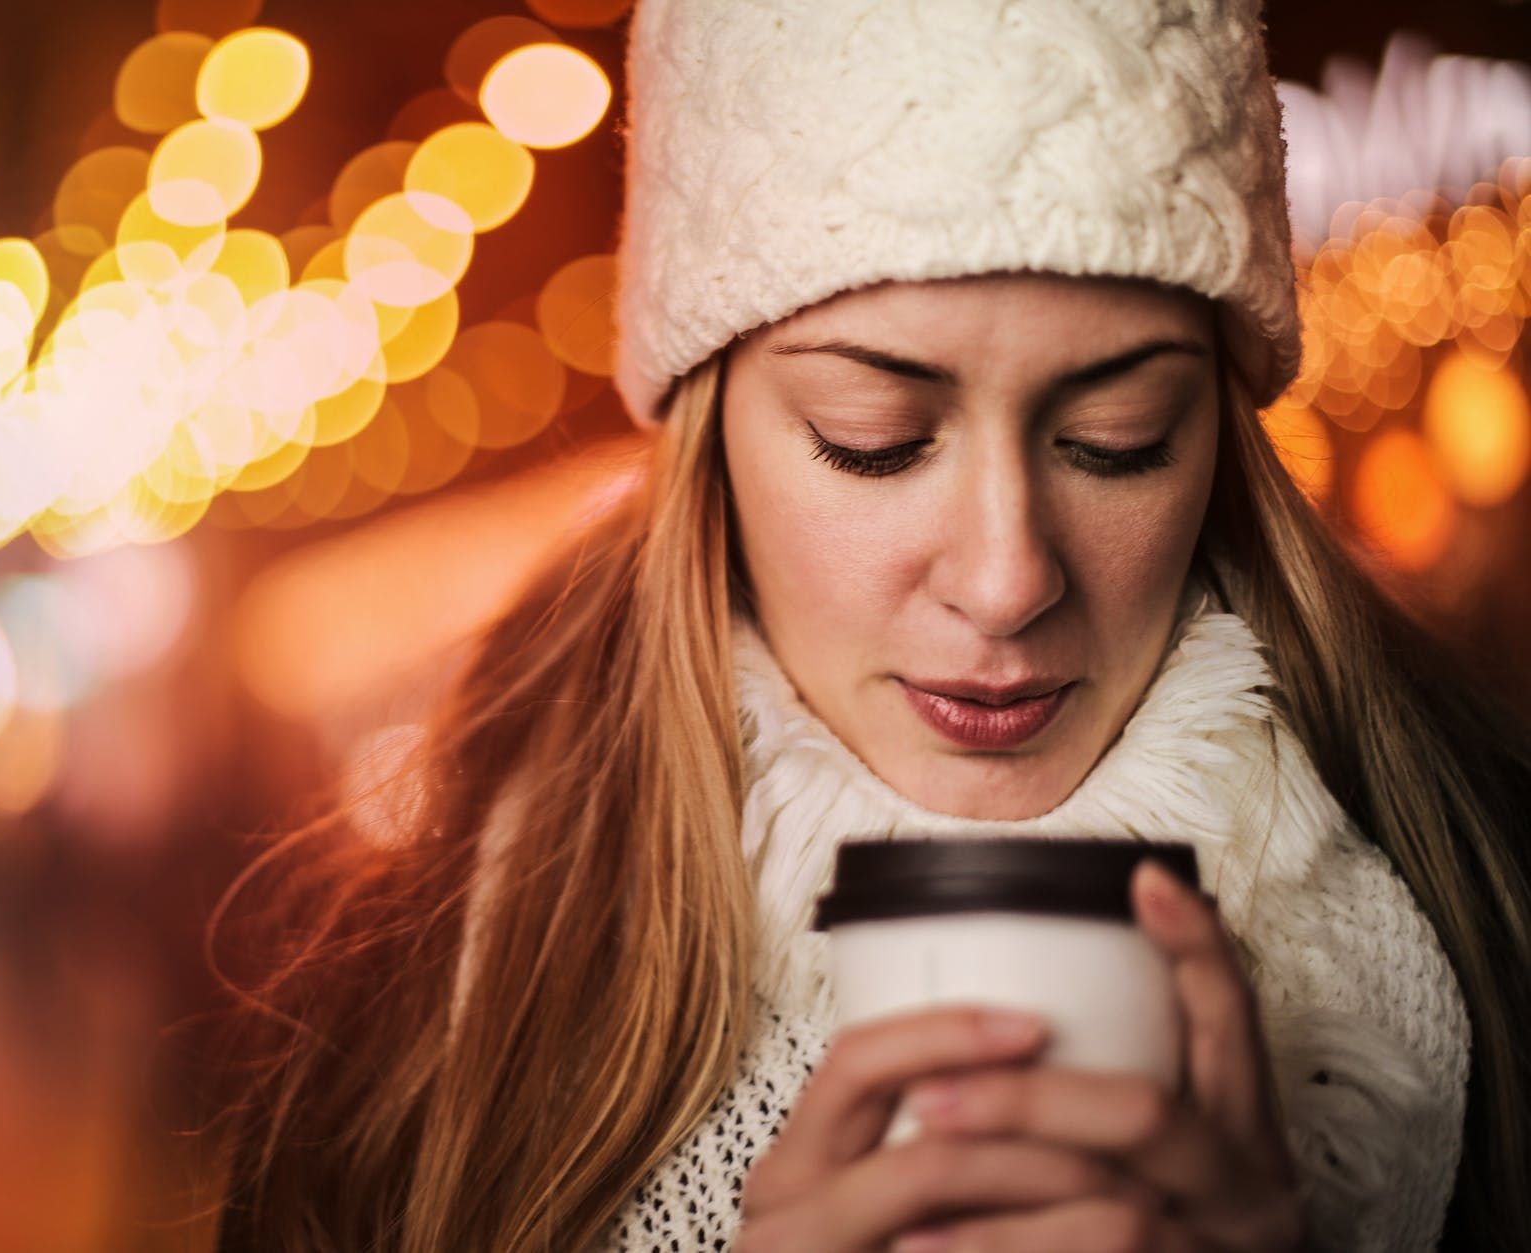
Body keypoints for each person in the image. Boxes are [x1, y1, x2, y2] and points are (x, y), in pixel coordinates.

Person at [208, 1, 1531, 1249]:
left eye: (1116, 439)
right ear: (710, 441)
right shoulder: (408, 1054)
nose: (1007, 581)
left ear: (1224, 441)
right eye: (873, 439)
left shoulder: (1493, 920)